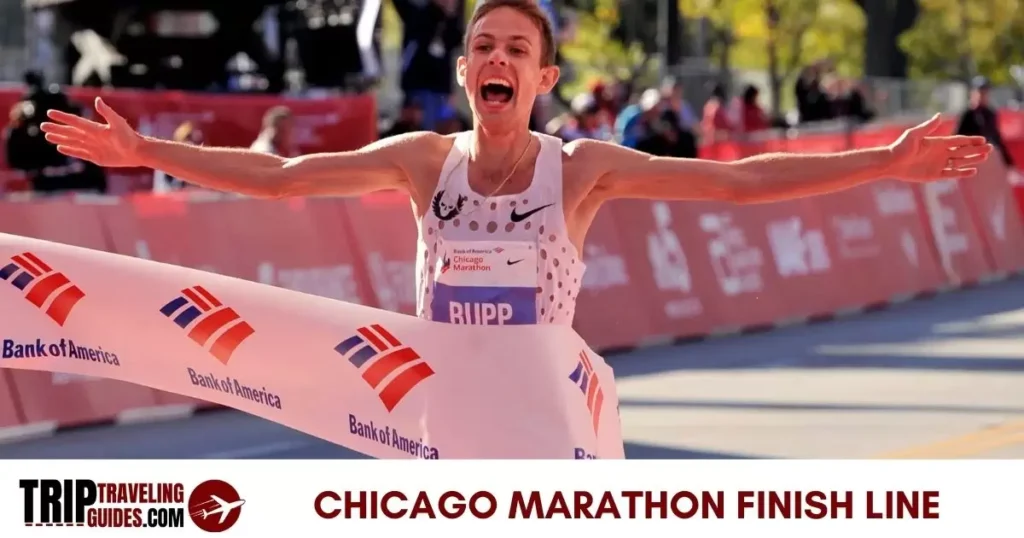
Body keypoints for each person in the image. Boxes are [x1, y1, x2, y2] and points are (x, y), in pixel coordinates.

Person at [41, 0, 992, 328]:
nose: (496, 60)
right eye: (481, 47)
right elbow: (285, 180)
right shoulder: (423, 161)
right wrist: (138, 151)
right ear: (462, 73)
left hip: (541, 418)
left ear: (543, 76)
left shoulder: (581, 170)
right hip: (438, 413)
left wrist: (881, 162)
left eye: (515, 51)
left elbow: (738, 183)